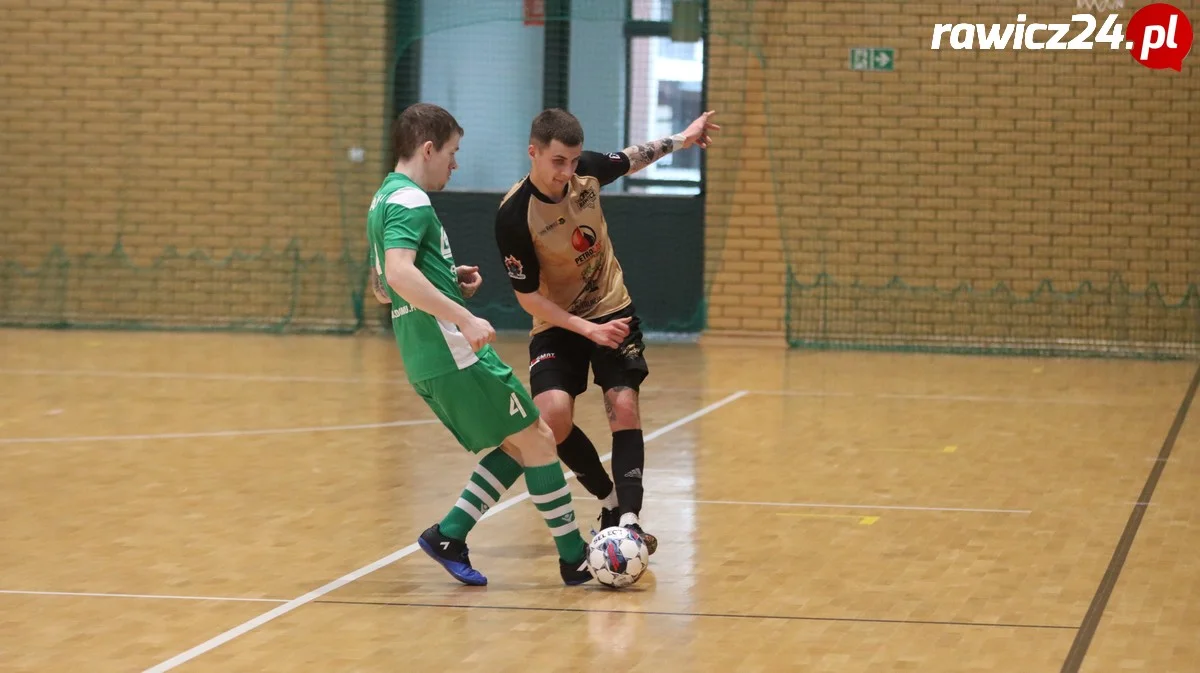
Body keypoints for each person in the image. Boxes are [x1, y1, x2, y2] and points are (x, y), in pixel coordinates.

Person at [366, 102, 593, 586]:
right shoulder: (410, 201)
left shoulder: (382, 198)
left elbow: (382, 285)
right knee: (539, 438)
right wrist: (464, 316)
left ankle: (450, 535)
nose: (455, 163)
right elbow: (399, 273)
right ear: (428, 149)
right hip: (452, 351)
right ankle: (575, 559)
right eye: (452, 152)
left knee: (519, 442)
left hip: (424, 357)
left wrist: (449, 279)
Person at [493, 107, 720, 555]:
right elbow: (528, 298)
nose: (568, 171)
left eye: (574, 161)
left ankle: (631, 520)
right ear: (533, 153)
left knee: (623, 405)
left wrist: (684, 138)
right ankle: (610, 501)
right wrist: (584, 330)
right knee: (553, 418)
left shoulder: (586, 175)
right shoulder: (514, 216)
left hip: (612, 309)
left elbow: (635, 156)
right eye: (558, 161)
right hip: (558, 322)